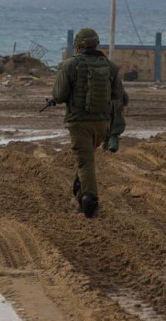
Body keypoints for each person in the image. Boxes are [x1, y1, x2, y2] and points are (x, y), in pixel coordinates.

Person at [50, 27, 124, 218]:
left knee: (85, 162)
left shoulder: (69, 65)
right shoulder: (110, 66)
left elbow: (59, 95)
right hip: (102, 123)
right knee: (86, 160)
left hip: (79, 122)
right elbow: (118, 95)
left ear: (79, 45)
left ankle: (90, 203)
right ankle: (79, 194)